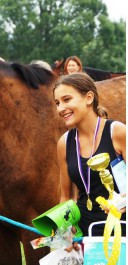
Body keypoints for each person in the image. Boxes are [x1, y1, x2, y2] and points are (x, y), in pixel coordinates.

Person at [54, 73, 126, 239]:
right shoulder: (64, 143)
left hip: (121, 230)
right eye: (57, 103)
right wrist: (64, 231)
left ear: (88, 98)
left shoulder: (118, 132)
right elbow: (66, 196)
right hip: (85, 234)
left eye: (66, 100)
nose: (60, 108)